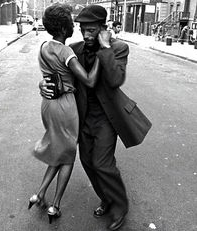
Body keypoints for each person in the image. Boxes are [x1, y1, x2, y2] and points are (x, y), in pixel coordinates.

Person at [40, 4, 151, 231]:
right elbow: (57, 75)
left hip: (106, 118)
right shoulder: (73, 48)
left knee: (103, 163)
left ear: (103, 28)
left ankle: (120, 206)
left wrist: (105, 47)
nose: (86, 35)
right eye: (83, 30)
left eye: (92, 30)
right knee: (88, 163)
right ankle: (106, 197)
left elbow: (115, 80)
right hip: (80, 117)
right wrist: (43, 85)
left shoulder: (119, 48)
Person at [28, 3, 101, 225]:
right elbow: (88, 80)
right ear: (63, 26)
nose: (73, 24)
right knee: (68, 156)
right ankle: (55, 205)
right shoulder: (65, 50)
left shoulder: (43, 46)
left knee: (59, 150)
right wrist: (102, 54)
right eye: (70, 20)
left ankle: (39, 194)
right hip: (65, 106)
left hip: (48, 104)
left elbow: (49, 75)